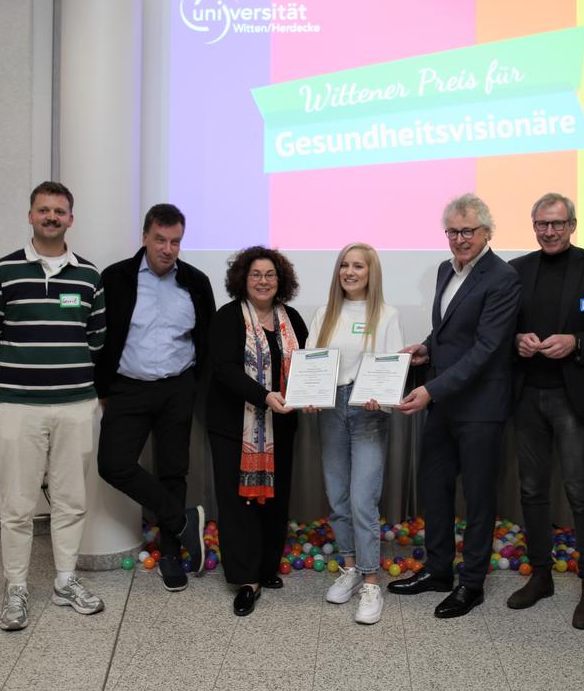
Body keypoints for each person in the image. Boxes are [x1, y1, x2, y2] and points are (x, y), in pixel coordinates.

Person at [0, 181, 106, 630]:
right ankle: (16, 589)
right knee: (17, 503)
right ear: (30, 215)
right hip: (18, 407)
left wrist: (58, 372)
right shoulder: (2, 273)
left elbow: (97, 338)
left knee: (71, 500)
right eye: (44, 210)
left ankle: (65, 581)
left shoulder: (89, 276)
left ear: (71, 218)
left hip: (76, 405)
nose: (52, 217)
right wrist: (21, 376)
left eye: (60, 211)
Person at [389, 193, 521, 618]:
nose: (460, 239)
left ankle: (472, 584)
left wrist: (431, 390)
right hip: (444, 402)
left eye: (468, 231)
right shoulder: (447, 270)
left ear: (487, 233)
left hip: (480, 407)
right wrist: (427, 349)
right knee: (435, 488)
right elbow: (449, 331)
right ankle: (439, 570)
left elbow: (485, 349)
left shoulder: (502, 278)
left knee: (479, 497)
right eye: (453, 231)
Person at [506, 192, 584, 629]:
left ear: (572, 225)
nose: (548, 231)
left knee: (580, 491)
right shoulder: (518, 270)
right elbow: (507, 328)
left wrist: (576, 342)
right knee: (532, 490)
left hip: (572, 397)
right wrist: (517, 341)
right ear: (533, 226)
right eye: (541, 224)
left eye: (556, 224)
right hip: (528, 396)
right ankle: (542, 576)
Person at [96, 204, 215, 592]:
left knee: (173, 469)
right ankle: (182, 522)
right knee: (113, 464)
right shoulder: (116, 278)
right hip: (128, 387)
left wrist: (196, 385)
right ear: (145, 236)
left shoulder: (196, 282)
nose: (167, 248)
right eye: (160, 239)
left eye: (175, 241)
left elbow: (208, 340)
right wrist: (102, 389)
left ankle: (170, 554)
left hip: (177, 387)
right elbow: (97, 336)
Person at [206, 246, 307, 616]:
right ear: (242, 280)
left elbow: (306, 367)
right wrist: (266, 396)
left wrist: (309, 395)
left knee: (276, 500)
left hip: (281, 425)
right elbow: (226, 371)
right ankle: (246, 579)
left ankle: (266, 567)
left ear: (281, 281)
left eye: (270, 275)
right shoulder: (228, 317)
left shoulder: (291, 317)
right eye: (255, 275)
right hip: (234, 427)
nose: (263, 281)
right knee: (240, 504)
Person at [306, 243, 403, 625]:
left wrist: (384, 396)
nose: (349, 272)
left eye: (358, 266)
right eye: (344, 265)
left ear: (370, 272)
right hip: (330, 410)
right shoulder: (324, 313)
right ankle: (349, 567)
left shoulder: (387, 314)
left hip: (368, 412)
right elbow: (310, 362)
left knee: (364, 499)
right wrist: (309, 395)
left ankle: (371, 582)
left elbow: (393, 365)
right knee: (338, 495)